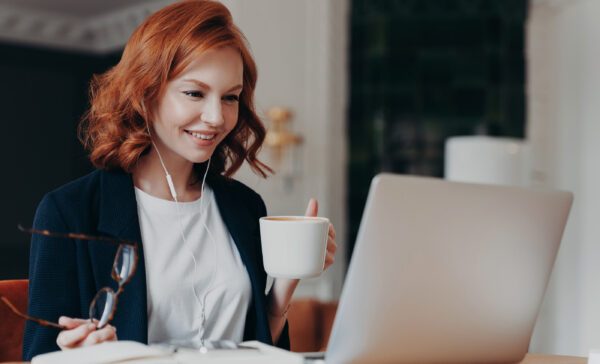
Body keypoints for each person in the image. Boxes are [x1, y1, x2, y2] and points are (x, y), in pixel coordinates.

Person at [22, 0, 337, 360]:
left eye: (230, 97)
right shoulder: (70, 211)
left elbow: (254, 348)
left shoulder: (245, 208)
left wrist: (287, 277)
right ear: (146, 92)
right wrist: (83, 354)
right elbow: (39, 356)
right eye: (194, 93)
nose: (216, 117)